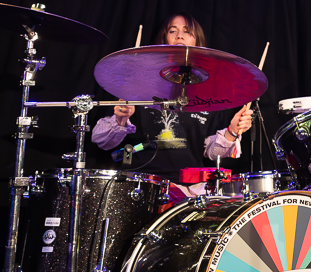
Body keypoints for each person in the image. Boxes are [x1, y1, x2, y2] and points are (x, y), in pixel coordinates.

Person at [92, 12, 253, 193]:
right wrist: (120, 120)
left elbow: (211, 153)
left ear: (197, 43)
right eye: (172, 31)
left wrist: (232, 132)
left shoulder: (207, 94)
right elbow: (101, 142)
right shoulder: (137, 86)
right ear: (164, 39)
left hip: (189, 190)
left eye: (187, 32)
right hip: (142, 186)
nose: (179, 36)